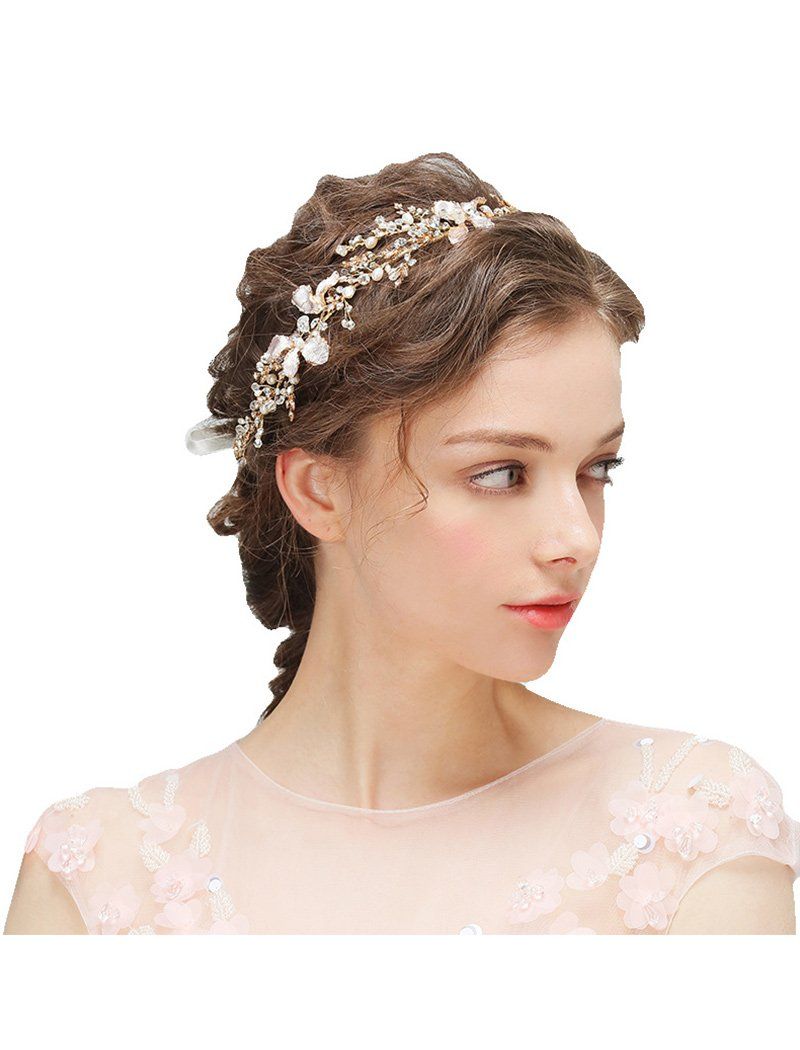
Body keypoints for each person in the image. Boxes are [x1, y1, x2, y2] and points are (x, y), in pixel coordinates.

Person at [5, 152, 798, 935]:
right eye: (502, 474)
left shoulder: (692, 833)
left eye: (598, 468)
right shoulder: (99, 877)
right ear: (320, 490)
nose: (577, 539)